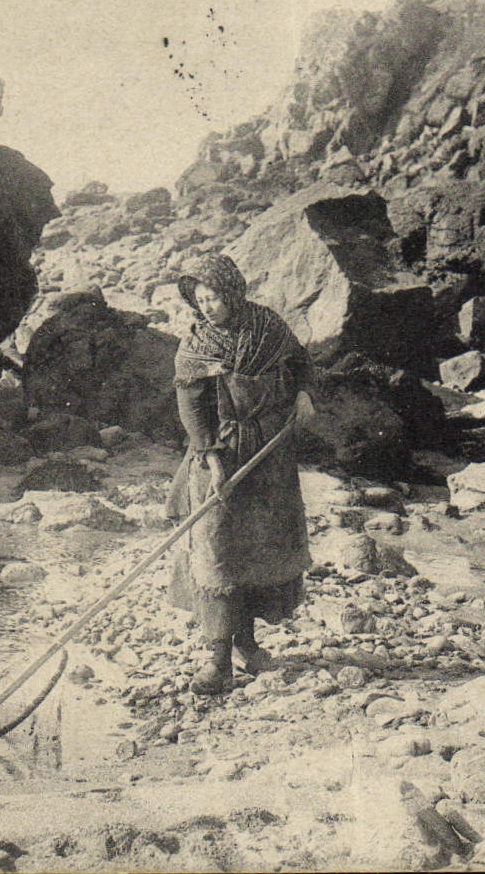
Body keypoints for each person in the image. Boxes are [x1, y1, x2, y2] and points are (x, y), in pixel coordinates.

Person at [165, 254, 319, 695]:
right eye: (200, 299)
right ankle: (217, 659)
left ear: (232, 292)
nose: (207, 306)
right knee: (217, 553)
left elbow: (301, 363)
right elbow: (191, 408)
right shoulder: (196, 345)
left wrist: (305, 394)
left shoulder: (268, 328)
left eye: (213, 297)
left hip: (270, 457)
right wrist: (212, 459)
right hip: (218, 455)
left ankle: (248, 646)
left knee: (257, 550)